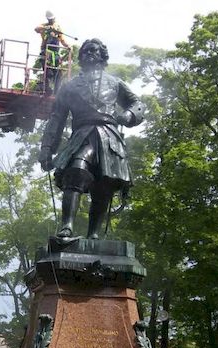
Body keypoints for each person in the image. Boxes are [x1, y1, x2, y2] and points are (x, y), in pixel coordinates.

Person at [38, 38, 145, 241]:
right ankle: (67, 226)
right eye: (86, 51)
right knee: (75, 170)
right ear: (81, 57)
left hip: (108, 135)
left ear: (102, 56)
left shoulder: (115, 83)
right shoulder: (69, 87)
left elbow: (137, 103)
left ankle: (93, 234)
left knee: (105, 183)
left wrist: (130, 115)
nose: (89, 53)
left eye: (94, 50)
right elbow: (56, 119)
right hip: (82, 133)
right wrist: (46, 148)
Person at [33, 10, 70, 94]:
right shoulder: (44, 26)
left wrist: (68, 46)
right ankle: (47, 89)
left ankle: (56, 93)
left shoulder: (57, 28)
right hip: (45, 52)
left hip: (55, 54)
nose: (51, 21)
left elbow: (63, 41)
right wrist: (46, 28)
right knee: (48, 71)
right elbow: (36, 29)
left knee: (58, 74)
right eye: (50, 20)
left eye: (52, 19)